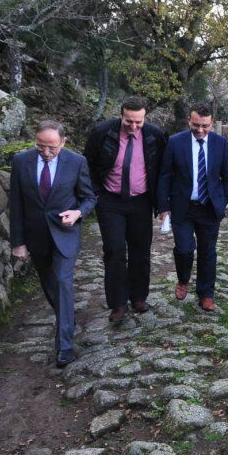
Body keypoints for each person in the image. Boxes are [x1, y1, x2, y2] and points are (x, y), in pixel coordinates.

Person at [9, 120, 96, 367]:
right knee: (50, 286)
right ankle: (66, 319)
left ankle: (64, 347)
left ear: (63, 142)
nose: (46, 152)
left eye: (52, 148)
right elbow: (16, 204)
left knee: (62, 281)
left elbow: (89, 198)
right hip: (36, 237)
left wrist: (78, 213)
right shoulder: (20, 161)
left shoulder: (77, 162)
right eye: (40, 146)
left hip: (65, 235)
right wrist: (18, 242)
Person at [84, 96, 167, 324]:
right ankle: (118, 303)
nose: (133, 126)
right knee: (114, 250)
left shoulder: (154, 135)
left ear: (145, 117)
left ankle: (138, 297)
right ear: (121, 115)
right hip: (110, 200)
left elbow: (161, 169)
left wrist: (162, 204)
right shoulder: (102, 132)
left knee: (141, 251)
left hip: (141, 201)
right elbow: (87, 165)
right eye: (129, 121)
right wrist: (95, 195)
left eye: (138, 122)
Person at [157, 103, 228, 311]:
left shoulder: (220, 143)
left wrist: (221, 201)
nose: (200, 130)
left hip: (209, 208)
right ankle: (183, 280)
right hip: (182, 207)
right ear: (189, 121)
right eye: (196, 125)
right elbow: (164, 175)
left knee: (208, 252)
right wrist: (163, 206)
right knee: (184, 249)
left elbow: (227, 177)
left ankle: (206, 294)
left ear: (211, 123)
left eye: (205, 126)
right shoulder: (175, 142)